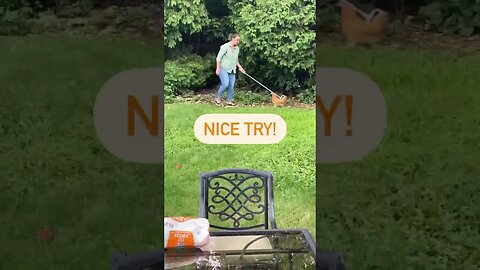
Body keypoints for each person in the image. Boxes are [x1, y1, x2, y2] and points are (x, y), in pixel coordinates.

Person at [214, 32, 246, 106]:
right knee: (225, 84)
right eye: (237, 40)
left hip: (232, 70)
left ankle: (229, 100)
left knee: (231, 85)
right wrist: (218, 69)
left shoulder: (237, 48)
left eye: (239, 40)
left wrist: (240, 67)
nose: (238, 42)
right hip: (223, 68)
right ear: (232, 39)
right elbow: (218, 58)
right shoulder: (225, 47)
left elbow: (236, 60)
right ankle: (217, 98)